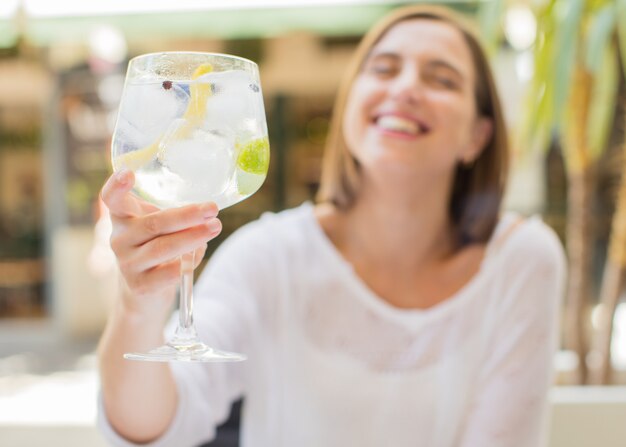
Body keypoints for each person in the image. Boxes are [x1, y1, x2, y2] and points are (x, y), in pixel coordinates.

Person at [97, 4, 566, 447]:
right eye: (383, 69)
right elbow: (154, 426)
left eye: (441, 78)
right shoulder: (268, 254)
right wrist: (139, 306)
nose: (404, 88)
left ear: (477, 136)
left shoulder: (521, 260)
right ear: (350, 108)